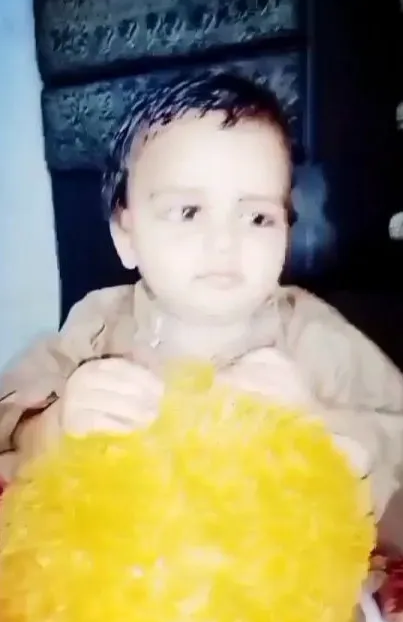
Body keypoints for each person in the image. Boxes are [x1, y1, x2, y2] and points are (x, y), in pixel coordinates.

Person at [0, 71, 403, 544]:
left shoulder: (315, 337)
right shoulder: (97, 326)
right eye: (188, 211)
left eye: (257, 217)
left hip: (267, 580)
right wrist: (56, 425)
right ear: (125, 235)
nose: (224, 242)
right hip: (130, 572)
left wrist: (317, 427)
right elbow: (11, 431)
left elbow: (393, 446)